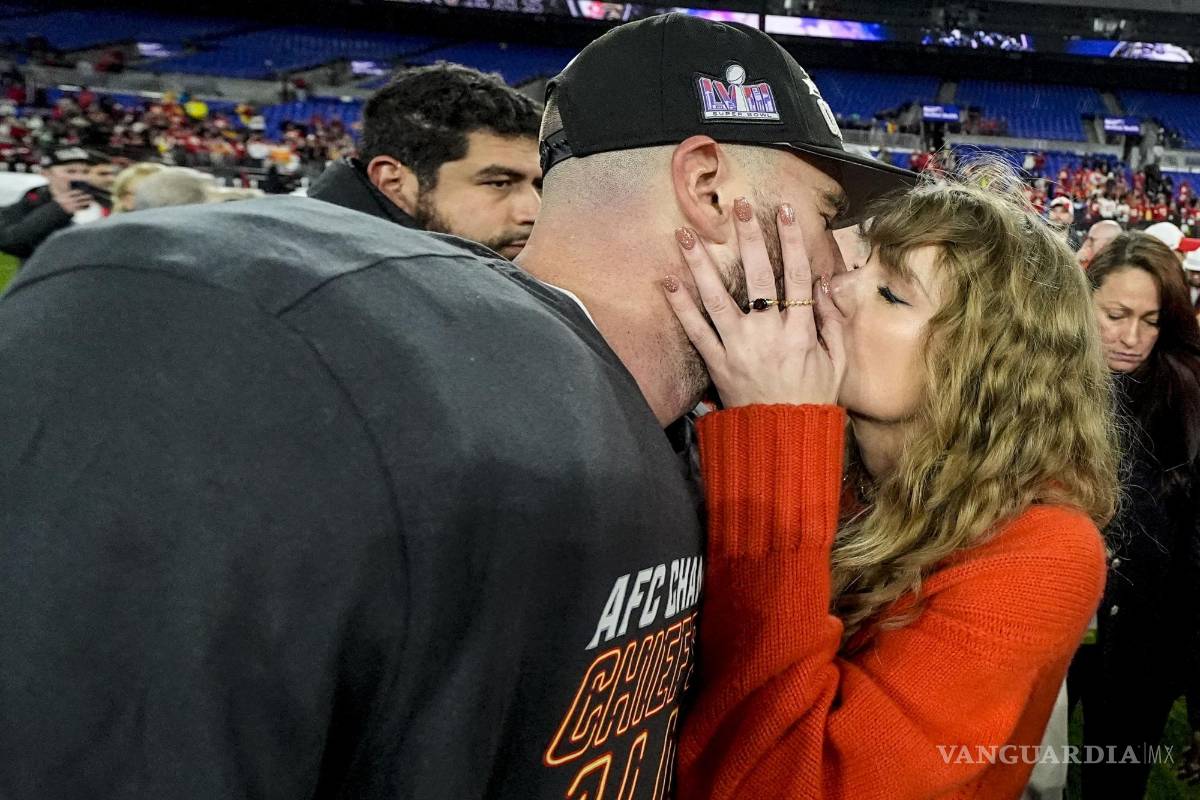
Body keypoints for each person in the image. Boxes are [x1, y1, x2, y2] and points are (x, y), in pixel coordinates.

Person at [0, 15, 911, 799]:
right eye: (829, 211)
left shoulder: (672, 425)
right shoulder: (306, 339)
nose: (839, 263)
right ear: (709, 188)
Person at [658, 166, 1118, 799]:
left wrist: (775, 433)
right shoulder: (844, 472)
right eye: (858, 264)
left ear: (982, 368)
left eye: (892, 294)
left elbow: (787, 781)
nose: (835, 288)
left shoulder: (1044, 552)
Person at [1070, 232, 1200, 799]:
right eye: (1116, 315)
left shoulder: (1188, 400)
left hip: (1145, 648)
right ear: (1083, 300)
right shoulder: (1036, 387)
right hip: (1045, 625)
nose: (1131, 338)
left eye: (1150, 321)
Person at [308, 62, 543, 260]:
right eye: (499, 183)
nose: (534, 214)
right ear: (393, 183)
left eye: (540, 186)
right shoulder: (316, 283)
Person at [0, 146, 93, 258]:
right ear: (46, 173)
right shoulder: (31, 201)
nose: (80, 177)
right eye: (70, 171)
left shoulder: (101, 200)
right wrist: (57, 210)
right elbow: (10, 242)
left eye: (86, 172)